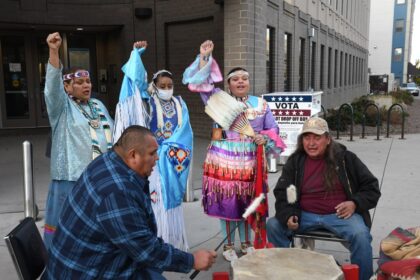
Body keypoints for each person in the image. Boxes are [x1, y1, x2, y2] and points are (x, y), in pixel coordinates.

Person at [44, 125, 216, 279]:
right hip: (84, 272)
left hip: (93, 261)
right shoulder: (117, 191)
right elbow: (146, 250)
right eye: (152, 153)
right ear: (133, 155)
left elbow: (141, 236)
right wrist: (191, 260)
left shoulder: (108, 160)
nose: (157, 158)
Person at [182, 40, 286, 261]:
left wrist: (263, 137)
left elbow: (274, 129)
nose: (241, 82)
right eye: (236, 79)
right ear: (228, 84)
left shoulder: (261, 104)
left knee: (250, 201)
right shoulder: (218, 98)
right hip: (224, 161)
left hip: (252, 160)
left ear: (249, 82)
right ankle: (229, 246)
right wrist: (204, 58)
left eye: (244, 79)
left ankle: (248, 242)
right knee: (228, 203)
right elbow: (199, 84)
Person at [266, 117, 381, 280]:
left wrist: (354, 203)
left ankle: (362, 278)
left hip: (340, 215)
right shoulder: (295, 161)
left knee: (360, 235)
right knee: (273, 225)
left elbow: (372, 188)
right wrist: (289, 214)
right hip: (304, 214)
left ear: (328, 139)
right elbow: (283, 192)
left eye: (317, 137)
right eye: (307, 137)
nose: (311, 143)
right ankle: (285, 272)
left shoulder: (346, 159)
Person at [113, 41, 193, 250]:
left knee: (171, 199)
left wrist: (172, 148)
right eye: (162, 86)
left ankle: (172, 239)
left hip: (173, 158)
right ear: (155, 86)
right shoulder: (148, 103)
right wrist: (136, 56)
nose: (166, 89)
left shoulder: (180, 103)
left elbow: (186, 131)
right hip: (153, 159)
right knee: (154, 199)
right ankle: (156, 239)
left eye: (169, 86)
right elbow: (136, 88)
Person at [43, 32, 114, 248]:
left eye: (88, 81)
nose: (87, 85)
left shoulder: (98, 106)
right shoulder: (61, 108)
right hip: (70, 180)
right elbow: (52, 88)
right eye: (80, 82)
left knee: (95, 229)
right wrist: (54, 51)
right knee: (66, 230)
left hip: (99, 179)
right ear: (67, 87)